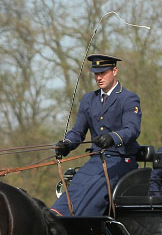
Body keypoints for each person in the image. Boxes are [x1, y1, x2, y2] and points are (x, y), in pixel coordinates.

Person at [51, 54, 141, 216]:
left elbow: (132, 129)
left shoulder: (128, 98)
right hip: (96, 160)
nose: (99, 77)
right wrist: (67, 144)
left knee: (92, 193)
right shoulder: (88, 100)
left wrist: (112, 138)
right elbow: (78, 132)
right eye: (96, 74)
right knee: (73, 190)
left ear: (114, 71)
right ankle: (55, 219)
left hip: (121, 161)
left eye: (103, 73)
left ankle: (80, 227)